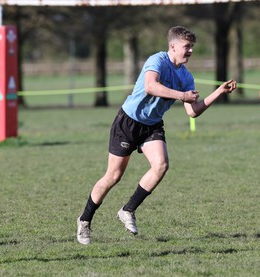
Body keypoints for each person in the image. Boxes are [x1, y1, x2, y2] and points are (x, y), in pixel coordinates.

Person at [77, 26, 237, 244]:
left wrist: (218, 92)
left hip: (152, 126)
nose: (190, 51)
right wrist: (182, 95)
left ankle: (127, 210)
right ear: (173, 46)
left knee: (161, 165)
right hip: (128, 122)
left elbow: (192, 111)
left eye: (192, 47)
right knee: (113, 176)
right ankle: (85, 221)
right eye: (186, 46)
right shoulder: (158, 61)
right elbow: (151, 86)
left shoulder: (186, 77)